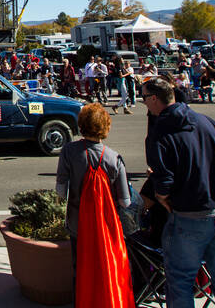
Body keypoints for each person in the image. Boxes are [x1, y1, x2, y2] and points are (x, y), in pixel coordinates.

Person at [141, 77, 215, 308]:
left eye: (144, 98)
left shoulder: (160, 132)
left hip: (188, 215)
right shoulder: (205, 121)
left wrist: (162, 197)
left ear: (154, 99)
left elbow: (164, 177)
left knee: (180, 280)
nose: (144, 103)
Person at [55, 103, 132, 308]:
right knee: (107, 267)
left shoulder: (69, 151)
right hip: (107, 226)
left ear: (82, 126)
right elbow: (125, 201)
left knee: (80, 268)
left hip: (77, 222)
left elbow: (61, 190)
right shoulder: (114, 158)